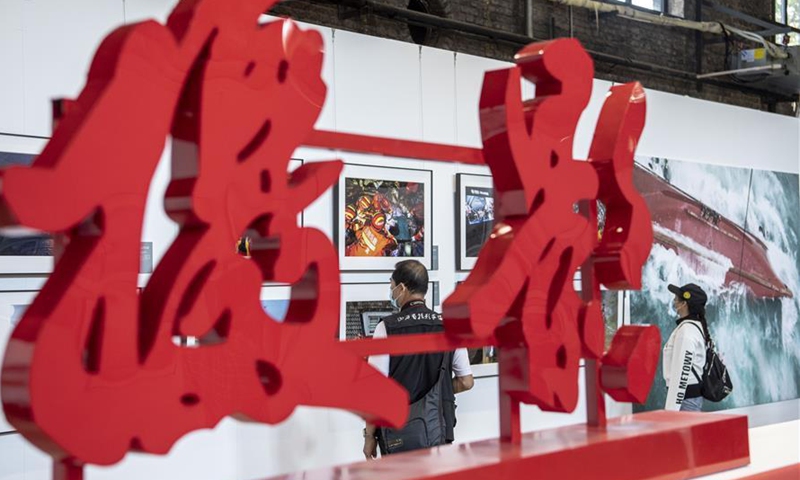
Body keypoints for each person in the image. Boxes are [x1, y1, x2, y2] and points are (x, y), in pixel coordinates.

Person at [363, 260, 474, 459]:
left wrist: (369, 436)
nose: (391, 292)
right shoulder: (449, 327)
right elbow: (466, 381)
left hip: (398, 435)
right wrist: (438, 392)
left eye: (391, 286)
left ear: (401, 288)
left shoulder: (386, 328)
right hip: (439, 431)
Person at [663, 283, 710, 412]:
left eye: (676, 299)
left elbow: (681, 374)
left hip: (684, 401)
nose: (674, 301)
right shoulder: (695, 327)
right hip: (689, 398)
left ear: (684, 304)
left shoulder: (686, 331)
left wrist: (671, 410)